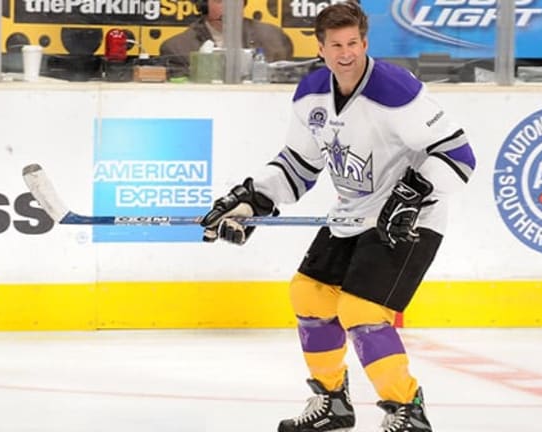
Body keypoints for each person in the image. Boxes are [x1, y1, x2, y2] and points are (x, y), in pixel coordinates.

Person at [199, 1, 476, 431]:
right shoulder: (311, 93)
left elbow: (458, 154)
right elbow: (297, 166)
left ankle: (408, 410)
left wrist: (412, 194)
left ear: (365, 43)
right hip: (351, 216)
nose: (346, 53)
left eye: (353, 43)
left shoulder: (395, 90)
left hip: (409, 219)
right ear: (321, 48)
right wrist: (252, 201)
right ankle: (333, 402)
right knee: (308, 295)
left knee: (362, 312)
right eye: (336, 45)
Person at [160, 0, 293, 77]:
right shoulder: (177, 47)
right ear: (204, 6)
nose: (229, 7)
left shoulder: (273, 38)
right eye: (219, 1)